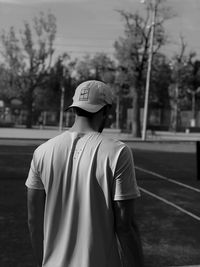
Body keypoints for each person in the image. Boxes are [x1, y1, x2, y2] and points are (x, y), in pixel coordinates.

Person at [26, 80, 144, 267]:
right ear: (106, 111)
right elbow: (125, 227)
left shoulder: (41, 151)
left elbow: (34, 220)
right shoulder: (118, 152)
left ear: (74, 109)